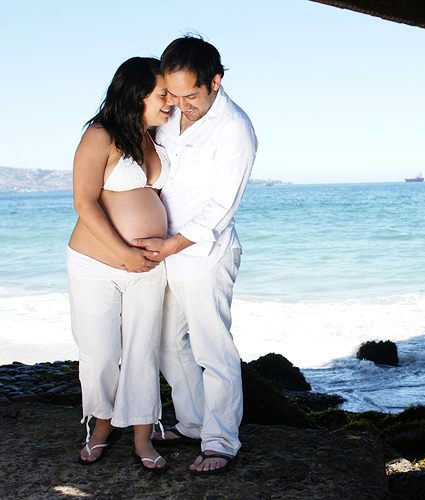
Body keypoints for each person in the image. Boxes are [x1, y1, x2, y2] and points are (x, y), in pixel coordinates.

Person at [133, 36, 257, 475]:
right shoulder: (170, 115)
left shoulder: (235, 129)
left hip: (205, 253)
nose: (180, 105)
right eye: (173, 94)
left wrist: (171, 244)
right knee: (167, 345)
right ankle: (193, 422)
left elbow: (220, 209)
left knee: (212, 348)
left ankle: (222, 440)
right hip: (163, 251)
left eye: (191, 95)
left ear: (215, 82)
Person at [67, 57, 171, 472]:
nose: (171, 102)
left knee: (143, 350)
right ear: (137, 93)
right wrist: (125, 252)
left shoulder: (156, 137)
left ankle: (143, 436)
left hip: (149, 266)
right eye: (163, 94)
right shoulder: (100, 135)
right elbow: (84, 202)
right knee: (100, 352)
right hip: (96, 265)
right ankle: (101, 427)